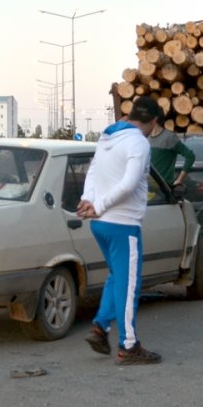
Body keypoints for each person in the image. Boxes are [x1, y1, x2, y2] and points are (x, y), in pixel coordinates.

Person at [78, 96, 162, 365]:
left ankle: (100, 327)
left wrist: (89, 200)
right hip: (123, 223)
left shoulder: (107, 137)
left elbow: (92, 172)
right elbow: (129, 183)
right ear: (153, 121)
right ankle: (128, 344)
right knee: (129, 286)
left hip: (100, 224)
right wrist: (99, 205)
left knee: (117, 277)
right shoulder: (139, 142)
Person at [147, 111, 195, 188]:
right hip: (148, 187)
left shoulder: (170, 138)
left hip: (163, 189)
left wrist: (179, 180)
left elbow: (190, 156)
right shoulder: (146, 137)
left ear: (154, 119)